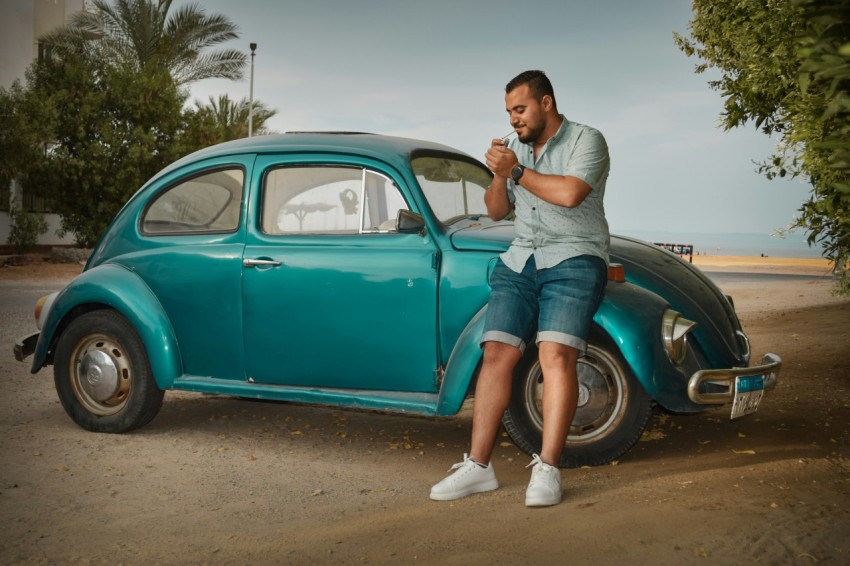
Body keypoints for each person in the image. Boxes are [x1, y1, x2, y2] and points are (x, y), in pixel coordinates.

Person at [430, 70, 610, 507]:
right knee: (496, 352)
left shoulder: (588, 140)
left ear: (546, 103)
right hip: (520, 259)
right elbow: (495, 211)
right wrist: (498, 174)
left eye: (520, 109)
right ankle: (478, 467)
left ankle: (548, 469)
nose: (514, 120)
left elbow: (569, 194)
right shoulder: (516, 152)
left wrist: (519, 171)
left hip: (575, 257)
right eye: (509, 111)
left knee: (555, 354)